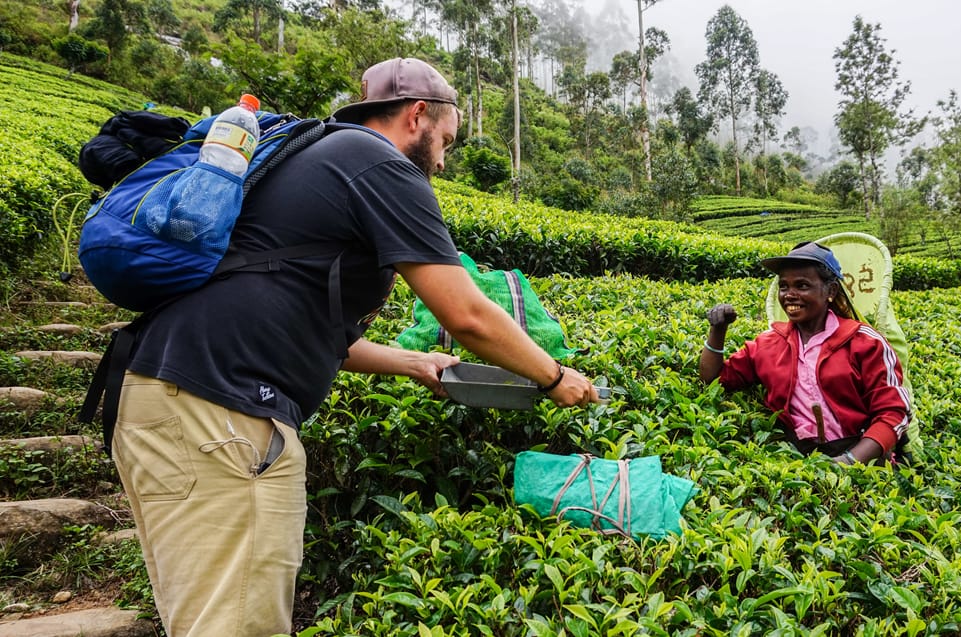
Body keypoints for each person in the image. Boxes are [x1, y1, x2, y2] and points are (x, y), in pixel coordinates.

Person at [110, 58, 601, 637]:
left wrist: (414, 361)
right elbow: (466, 313)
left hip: (169, 399)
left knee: (207, 617)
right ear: (417, 115)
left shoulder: (321, 159)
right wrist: (553, 376)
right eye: (445, 141)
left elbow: (317, 330)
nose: (442, 161)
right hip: (223, 416)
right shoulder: (377, 162)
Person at [699, 241, 910, 465]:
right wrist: (718, 330)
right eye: (784, 286)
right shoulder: (769, 343)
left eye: (802, 286)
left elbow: (893, 413)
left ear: (831, 291)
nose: (789, 295)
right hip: (798, 456)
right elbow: (713, 380)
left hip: (861, 454)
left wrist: (849, 461)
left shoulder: (865, 342)